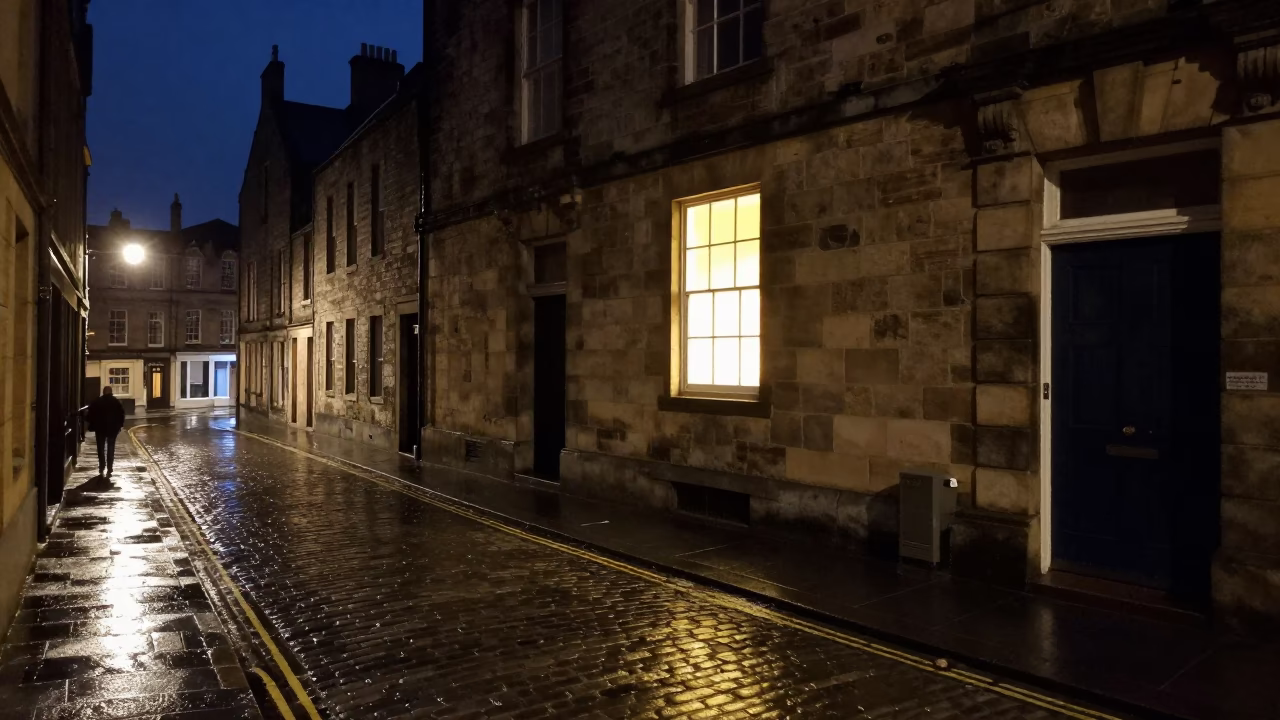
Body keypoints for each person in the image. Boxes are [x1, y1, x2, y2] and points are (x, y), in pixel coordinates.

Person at [85, 386, 125, 477]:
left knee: (100, 448)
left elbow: (91, 414)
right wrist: (120, 425)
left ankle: (102, 466)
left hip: (100, 429)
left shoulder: (97, 401)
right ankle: (110, 467)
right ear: (111, 392)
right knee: (111, 447)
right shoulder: (116, 402)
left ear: (103, 392)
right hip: (112, 429)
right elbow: (121, 414)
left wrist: (92, 424)